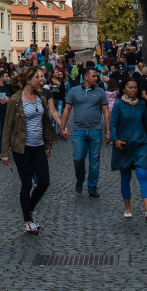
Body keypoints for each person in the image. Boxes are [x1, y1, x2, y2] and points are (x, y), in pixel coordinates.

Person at [0, 65, 55, 234]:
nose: (41, 79)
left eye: (42, 77)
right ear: (29, 80)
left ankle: (28, 208)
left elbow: (45, 123)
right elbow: (7, 127)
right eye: (38, 77)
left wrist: (48, 144)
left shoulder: (41, 98)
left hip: (38, 146)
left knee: (44, 181)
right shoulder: (16, 100)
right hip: (21, 147)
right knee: (27, 183)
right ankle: (27, 220)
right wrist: (4, 153)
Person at [110, 75, 147, 219]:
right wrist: (115, 140)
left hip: (140, 144)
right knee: (125, 177)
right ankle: (128, 208)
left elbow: (145, 126)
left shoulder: (141, 105)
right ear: (124, 89)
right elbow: (113, 124)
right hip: (124, 145)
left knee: (143, 175)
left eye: (135, 88)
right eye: (130, 87)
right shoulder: (118, 105)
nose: (133, 90)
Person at [61, 64, 110, 198]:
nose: (96, 78)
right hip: (79, 130)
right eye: (94, 76)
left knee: (94, 160)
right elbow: (67, 109)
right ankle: (80, 178)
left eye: (97, 76)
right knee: (78, 158)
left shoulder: (100, 92)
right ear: (86, 77)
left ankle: (92, 187)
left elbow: (106, 112)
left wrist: (108, 131)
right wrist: (62, 127)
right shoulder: (74, 91)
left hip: (95, 130)